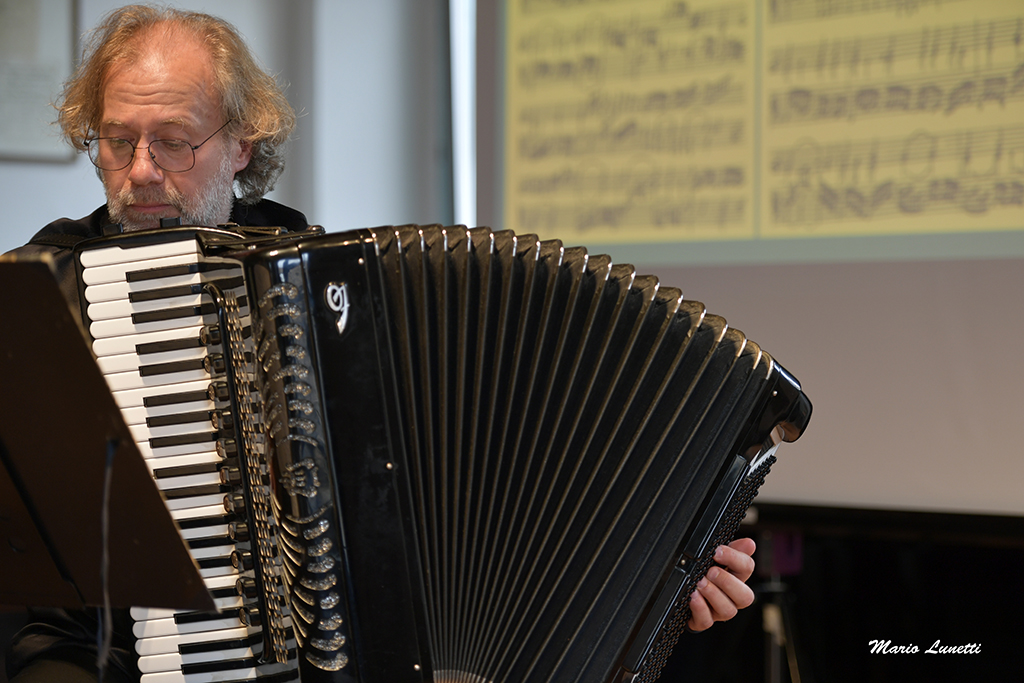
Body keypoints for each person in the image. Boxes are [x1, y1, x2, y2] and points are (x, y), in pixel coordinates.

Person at [4, 4, 756, 682]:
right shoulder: (43, 293)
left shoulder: (322, 289)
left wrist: (660, 572)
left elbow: (470, 492)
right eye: (115, 140)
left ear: (240, 144)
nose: (140, 171)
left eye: (173, 143)